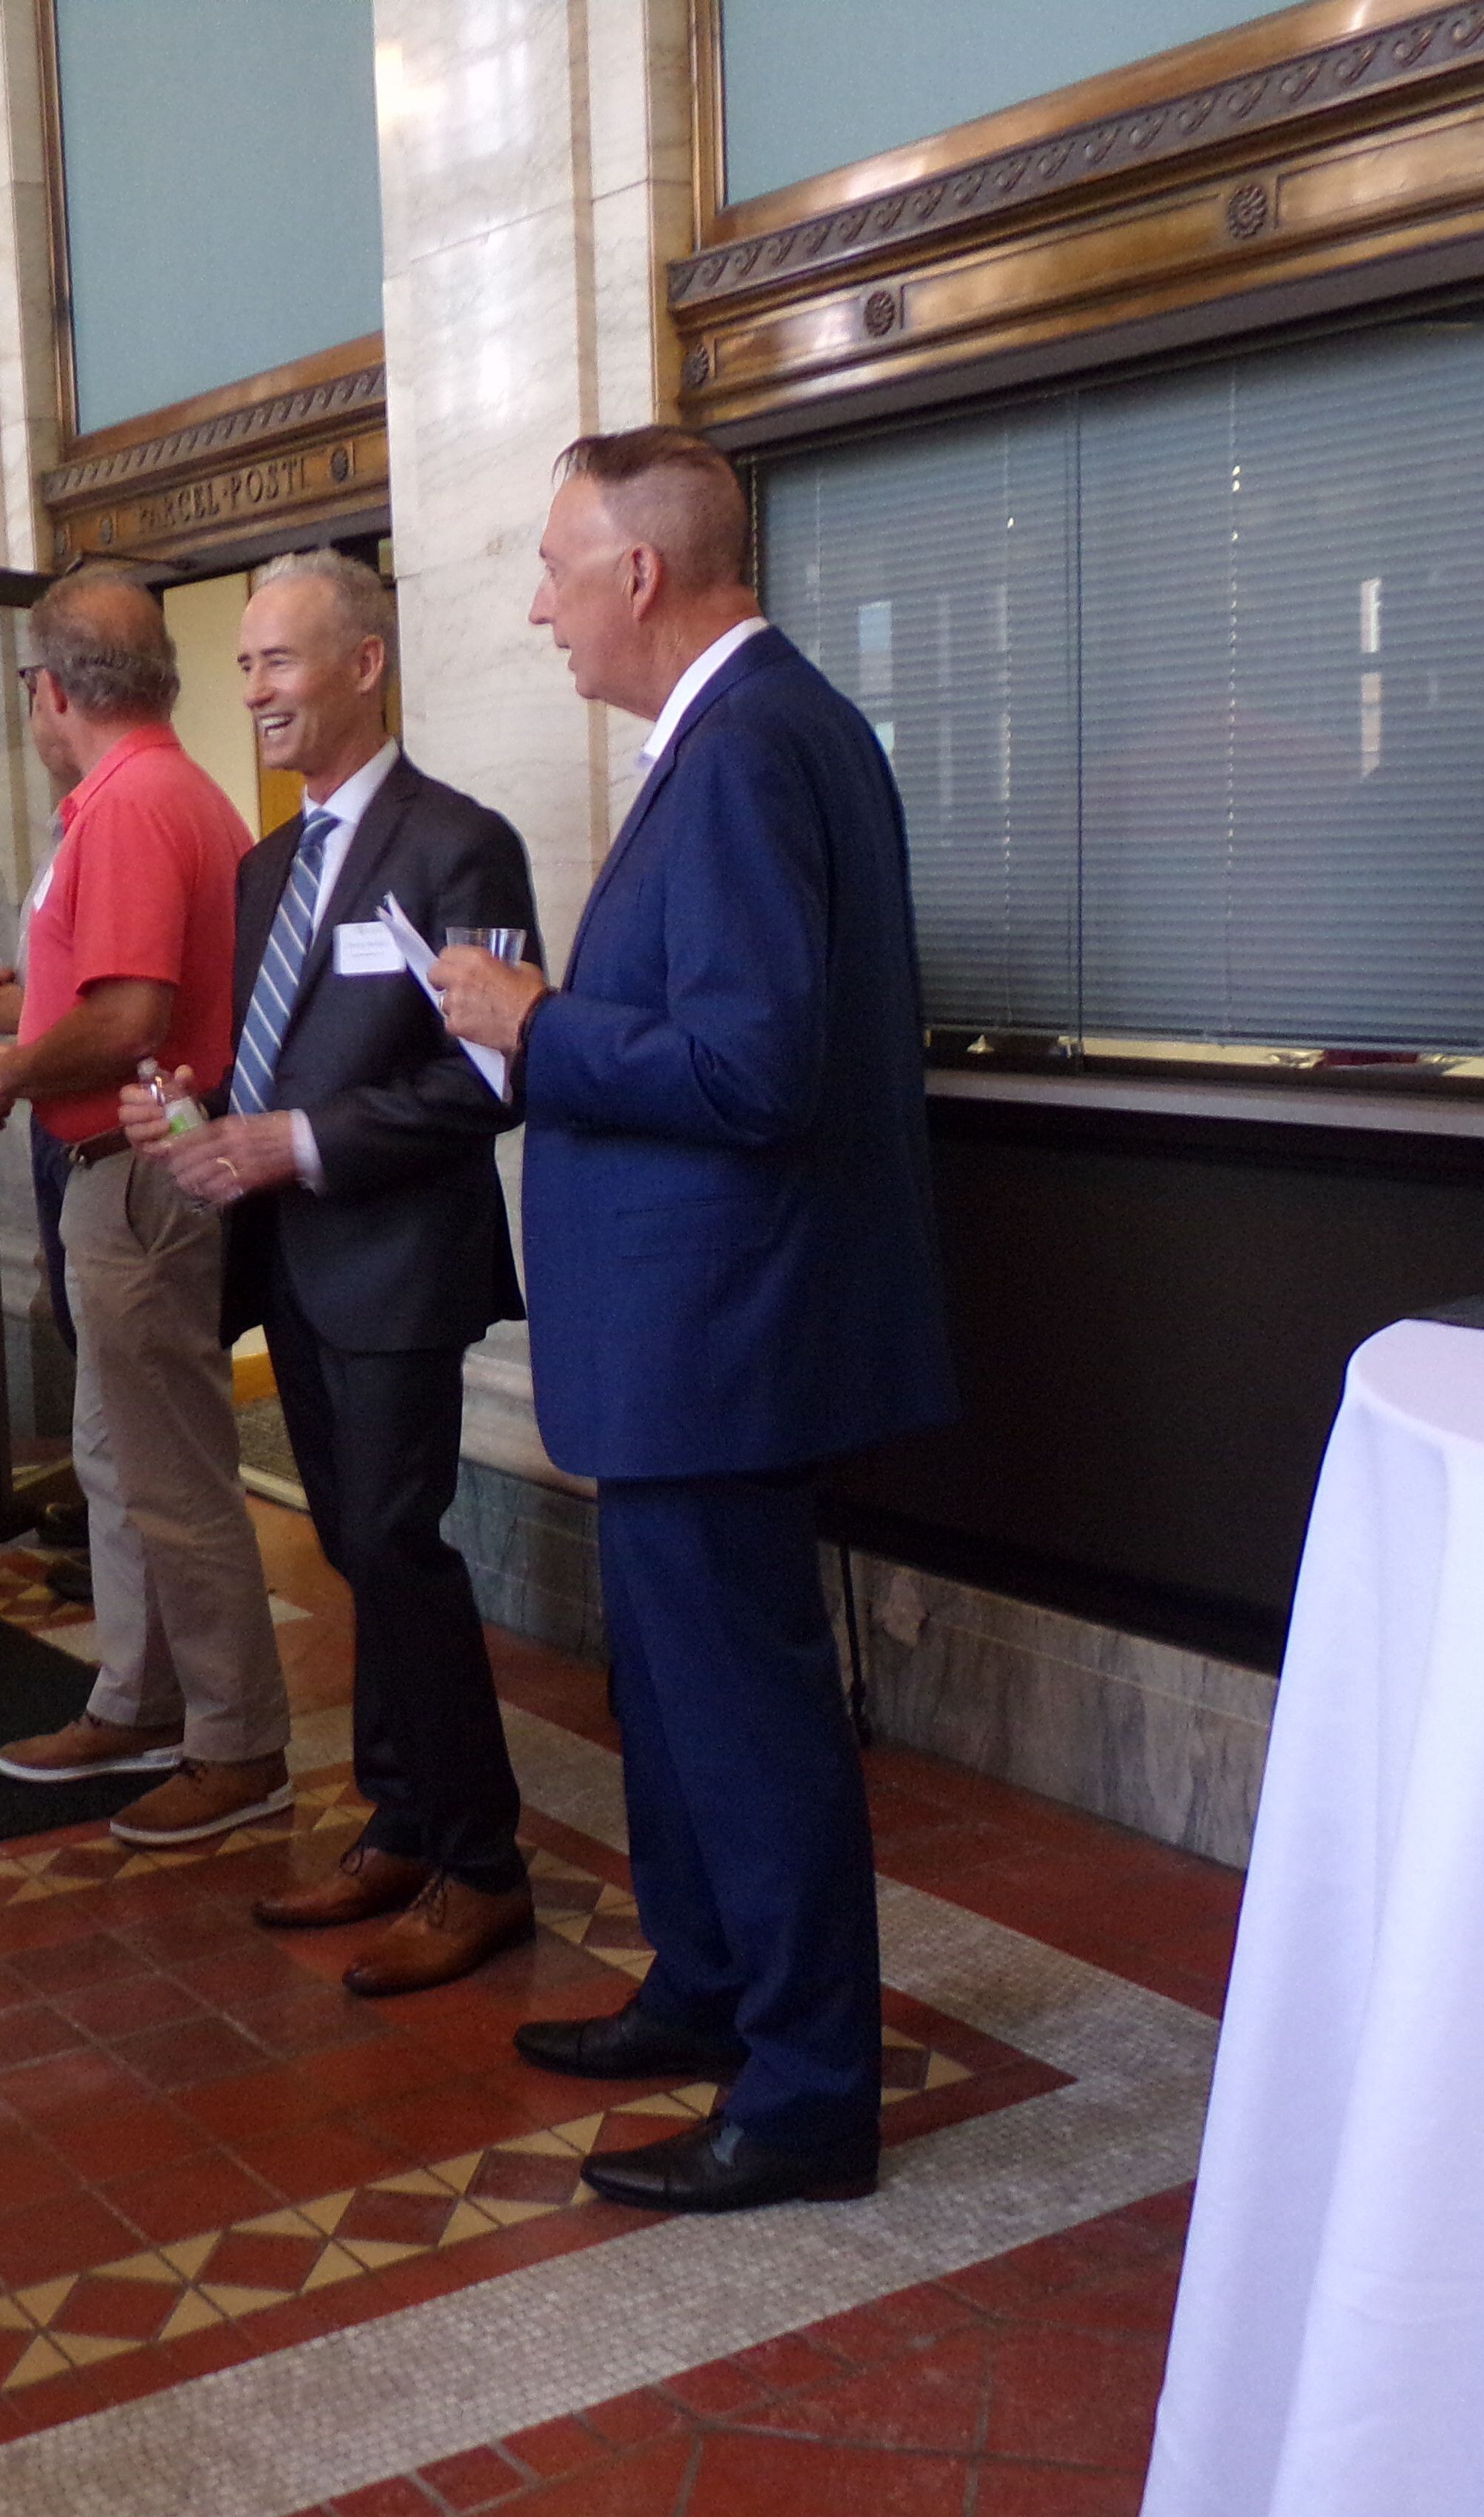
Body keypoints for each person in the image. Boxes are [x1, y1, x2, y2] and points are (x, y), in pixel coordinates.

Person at [434, 427, 957, 2216]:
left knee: (744, 1720)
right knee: (676, 1696)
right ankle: (712, 1986)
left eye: (554, 567)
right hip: (692, 1343)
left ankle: (807, 2092)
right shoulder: (759, 728)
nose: (538, 607)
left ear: (638, 574)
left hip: (718, 1345)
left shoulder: (743, 747)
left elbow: (749, 1065)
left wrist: (531, 1017)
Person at [119, 549, 541, 1995]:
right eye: (244, 667)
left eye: (280, 663)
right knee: (359, 1548)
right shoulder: (266, 865)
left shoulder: (461, 847)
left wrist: (293, 1139)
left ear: (365, 665)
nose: (258, 693)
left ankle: (483, 1864)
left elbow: (491, 1079)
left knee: (399, 1547)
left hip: (402, 1266)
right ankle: (398, 1820)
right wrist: (191, 1113)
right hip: (296, 1269)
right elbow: (272, 1062)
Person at [0, 568, 290, 1847]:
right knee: (115, 1458)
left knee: (172, 1472)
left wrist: (3, 1069)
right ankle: (140, 1697)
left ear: (49, 692)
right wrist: (27, 1019)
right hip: (128, 1171)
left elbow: (132, 1016)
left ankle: (235, 1739)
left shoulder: (137, 804)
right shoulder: (153, 792)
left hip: (141, 1171)